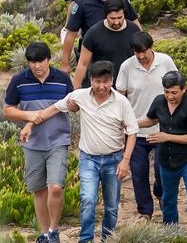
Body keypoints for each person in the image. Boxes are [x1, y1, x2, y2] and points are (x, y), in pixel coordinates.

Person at [37, 61, 138, 243]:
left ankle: (108, 239)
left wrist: (125, 160)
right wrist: (32, 122)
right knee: (88, 200)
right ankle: (86, 239)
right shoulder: (79, 96)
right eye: (97, 81)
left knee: (112, 207)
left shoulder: (122, 102)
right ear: (91, 80)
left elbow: (132, 132)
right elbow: (55, 108)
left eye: (106, 82)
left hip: (114, 159)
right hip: (88, 159)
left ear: (112, 81)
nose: (102, 86)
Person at [3, 42, 74, 243]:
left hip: (58, 141)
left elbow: (71, 105)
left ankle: (54, 230)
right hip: (32, 144)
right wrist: (29, 116)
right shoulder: (19, 80)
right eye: (32, 62)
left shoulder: (62, 78)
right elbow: (8, 110)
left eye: (40, 61)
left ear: (48, 59)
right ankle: (44, 234)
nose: (36, 66)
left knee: (56, 187)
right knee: (39, 190)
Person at [138, 71, 187, 243]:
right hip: (166, 160)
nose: (170, 96)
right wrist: (130, 121)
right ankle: (171, 236)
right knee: (168, 200)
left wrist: (166, 137)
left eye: (174, 92)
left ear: (184, 89)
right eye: (166, 92)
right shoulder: (159, 101)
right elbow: (151, 120)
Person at [116, 32, 178, 219]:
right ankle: (145, 211)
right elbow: (120, 96)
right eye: (137, 53)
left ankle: (160, 193)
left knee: (162, 170)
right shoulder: (127, 66)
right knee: (139, 174)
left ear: (151, 47)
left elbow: (177, 86)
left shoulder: (165, 61)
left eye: (144, 52)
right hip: (136, 130)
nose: (141, 56)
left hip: (163, 130)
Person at [61, 0, 140, 73]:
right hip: (93, 57)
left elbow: (135, 24)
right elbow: (70, 34)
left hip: (121, 53)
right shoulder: (83, 4)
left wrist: (143, 47)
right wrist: (65, 64)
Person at [73, 0, 140, 89]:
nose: (116, 22)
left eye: (120, 17)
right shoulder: (93, 33)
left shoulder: (134, 30)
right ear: (106, 15)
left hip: (129, 85)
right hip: (103, 86)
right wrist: (75, 91)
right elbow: (83, 64)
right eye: (112, 18)